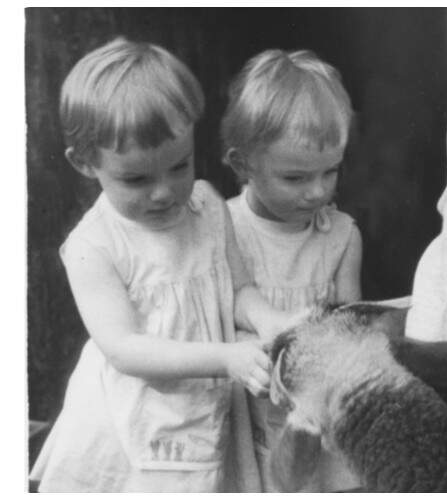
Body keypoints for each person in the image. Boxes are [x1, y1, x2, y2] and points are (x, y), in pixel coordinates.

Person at [29, 38, 306, 492]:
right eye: (136, 178)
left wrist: (269, 320)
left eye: (180, 166)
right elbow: (124, 349)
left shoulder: (209, 208)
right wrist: (225, 357)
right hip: (136, 417)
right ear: (84, 164)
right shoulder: (93, 246)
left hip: (206, 406)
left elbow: (237, 291)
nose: (164, 192)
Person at [220, 49, 362, 491]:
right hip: (246, 404)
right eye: (295, 178)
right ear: (244, 166)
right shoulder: (224, 227)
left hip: (312, 411)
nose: (316, 191)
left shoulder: (340, 235)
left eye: (330, 171)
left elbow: (351, 324)